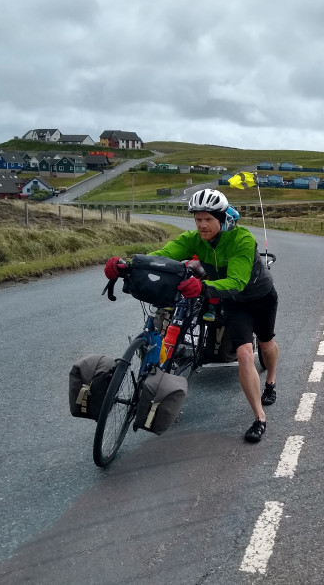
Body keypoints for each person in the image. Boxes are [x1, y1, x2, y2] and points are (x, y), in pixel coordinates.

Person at [104, 188, 279, 442]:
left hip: (260, 297)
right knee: (243, 353)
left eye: (208, 219)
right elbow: (163, 256)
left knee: (265, 343)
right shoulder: (194, 239)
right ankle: (259, 417)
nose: (202, 225)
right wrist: (129, 265)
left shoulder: (242, 239)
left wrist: (204, 287)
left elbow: (237, 281)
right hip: (233, 303)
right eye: (198, 219)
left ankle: (271, 381)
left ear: (222, 219)